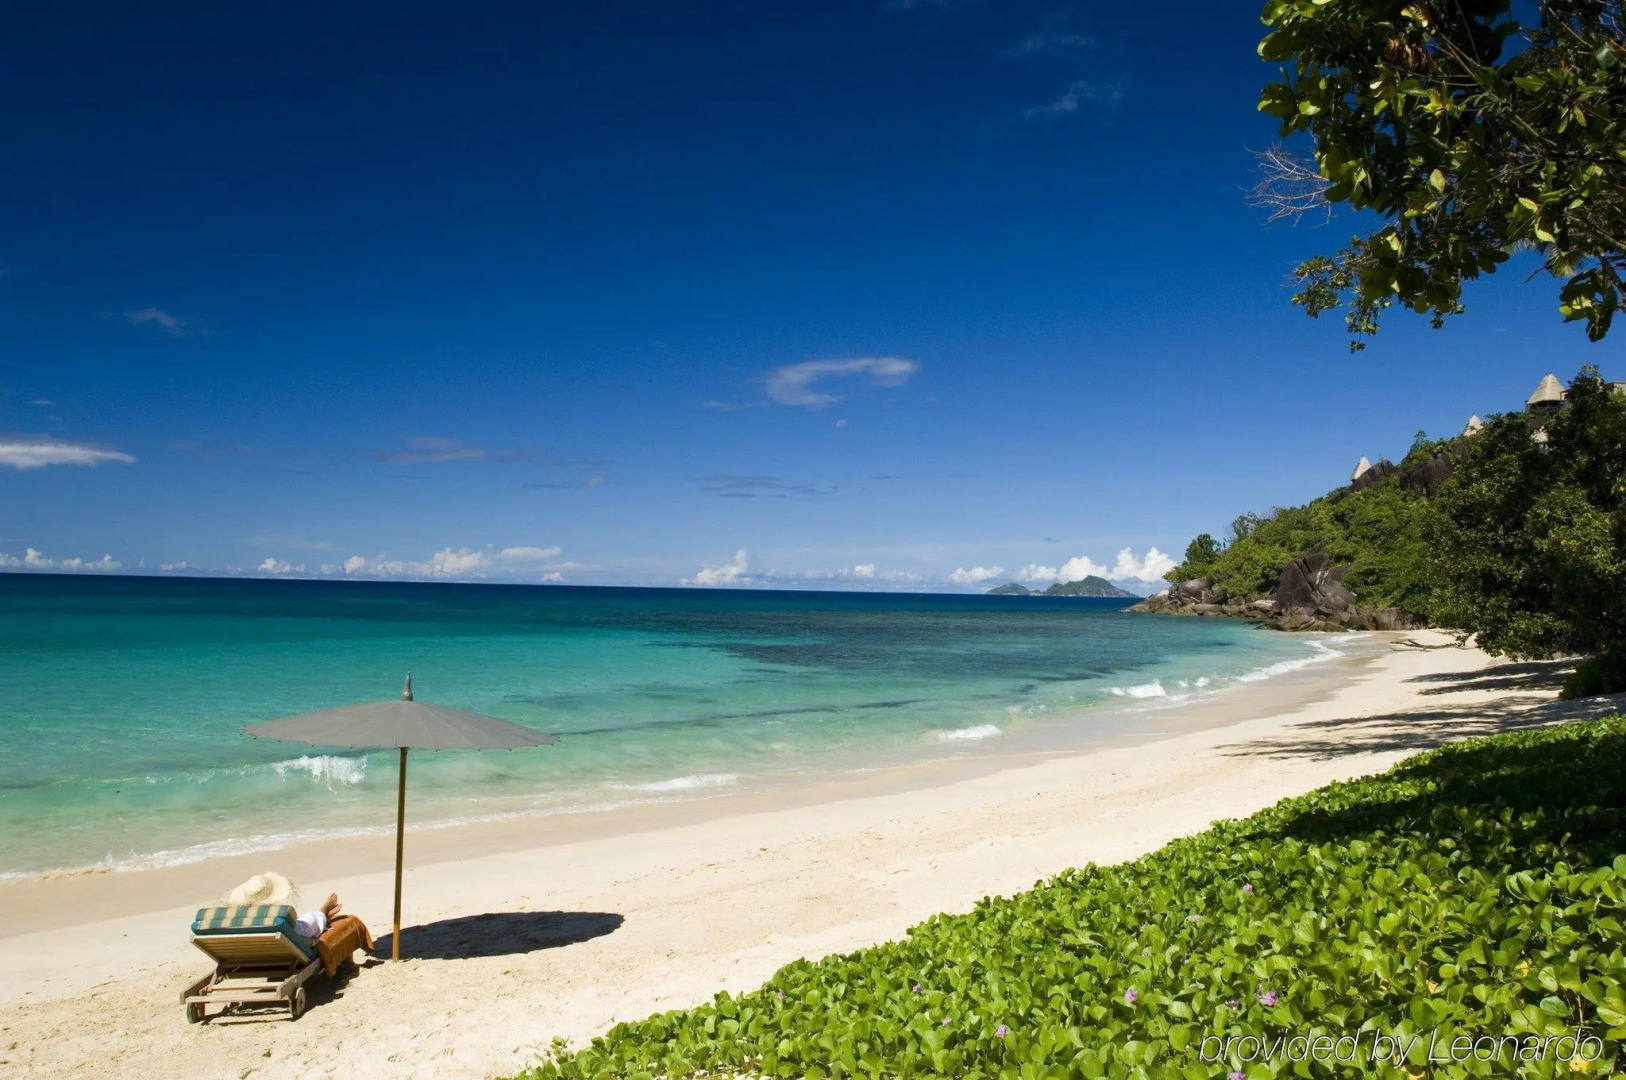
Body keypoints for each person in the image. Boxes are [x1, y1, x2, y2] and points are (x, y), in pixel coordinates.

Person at [224, 872, 343, 944]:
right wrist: (313, 942)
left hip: (257, 950)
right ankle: (323, 911)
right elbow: (300, 939)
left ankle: (323, 915)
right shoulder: (279, 917)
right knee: (308, 920)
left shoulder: (240, 921)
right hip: (289, 940)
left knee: (298, 920)